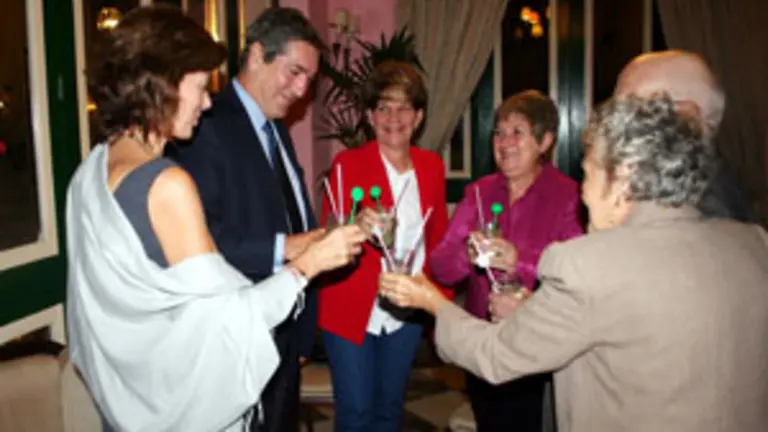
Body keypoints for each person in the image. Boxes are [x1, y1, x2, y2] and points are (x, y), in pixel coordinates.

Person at [379, 93, 768, 432]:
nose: (583, 192)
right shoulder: (753, 244)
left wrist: (432, 301)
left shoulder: (586, 262)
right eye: (499, 132)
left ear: (623, 180)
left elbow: (499, 354)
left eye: (588, 172)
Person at [65, 5, 366, 432]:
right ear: (164, 84)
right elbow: (233, 322)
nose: (206, 103)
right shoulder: (167, 185)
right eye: (201, 86)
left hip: (134, 403)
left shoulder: (88, 174)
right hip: (185, 407)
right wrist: (309, 264)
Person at [167, 7, 325, 431]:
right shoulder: (205, 125)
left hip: (284, 329)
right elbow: (202, 243)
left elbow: (295, 218)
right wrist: (287, 249)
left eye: (308, 79)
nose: (301, 89)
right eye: (294, 72)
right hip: (237, 334)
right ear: (256, 55)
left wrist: (303, 329)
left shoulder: (276, 129)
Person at [429, 90, 583, 432]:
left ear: (544, 142)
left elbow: (578, 273)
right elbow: (440, 267)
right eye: (499, 132)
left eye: (518, 132)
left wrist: (520, 262)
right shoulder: (479, 193)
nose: (505, 141)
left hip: (539, 345)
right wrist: (466, 257)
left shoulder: (569, 196)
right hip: (485, 345)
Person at [317, 60, 450, 431]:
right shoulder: (348, 164)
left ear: (419, 116)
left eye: (404, 106)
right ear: (370, 117)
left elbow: (438, 236)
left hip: (406, 308)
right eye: (384, 107)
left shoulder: (432, 167)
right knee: (356, 413)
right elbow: (327, 233)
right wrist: (353, 225)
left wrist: (441, 300)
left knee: (390, 411)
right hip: (351, 305)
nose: (394, 116)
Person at [614, 49, 752, 222]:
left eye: (634, 110)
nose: (615, 122)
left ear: (686, 116)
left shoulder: (699, 210)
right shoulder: (700, 188)